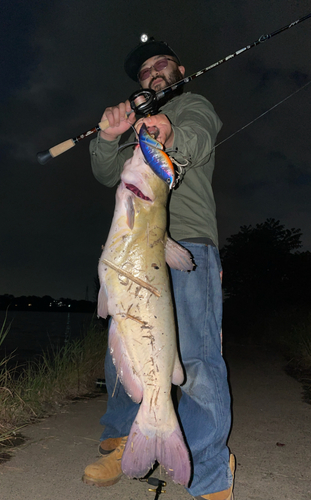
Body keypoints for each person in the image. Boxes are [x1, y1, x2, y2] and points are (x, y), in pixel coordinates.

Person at [83, 37, 234, 500]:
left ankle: (208, 469)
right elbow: (109, 173)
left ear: (180, 71)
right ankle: (124, 438)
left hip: (185, 245)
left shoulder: (192, 106)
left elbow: (199, 140)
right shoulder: (139, 130)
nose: (154, 72)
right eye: (146, 70)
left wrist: (168, 131)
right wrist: (109, 138)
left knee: (195, 359)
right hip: (130, 252)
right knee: (122, 349)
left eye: (163, 65)